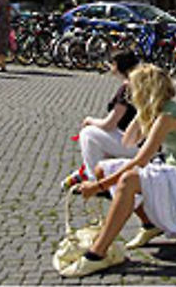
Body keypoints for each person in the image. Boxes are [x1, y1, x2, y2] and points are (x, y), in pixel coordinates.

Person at [61, 64, 176, 278]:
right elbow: (129, 141)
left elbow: (140, 160)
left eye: (132, 89)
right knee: (101, 169)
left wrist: (98, 187)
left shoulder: (167, 116)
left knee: (128, 179)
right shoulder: (160, 110)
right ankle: (148, 223)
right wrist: (141, 112)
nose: (128, 94)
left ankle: (97, 253)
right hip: (172, 170)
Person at [60, 50, 142, 191]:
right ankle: (94, 172)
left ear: (117, 66)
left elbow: (110, 124)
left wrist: (89, 120)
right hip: (146, 143)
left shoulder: (126, 88)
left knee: (88, 134)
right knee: (100, 137)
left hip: (134, 144)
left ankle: (95, 180)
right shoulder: (141, 83)